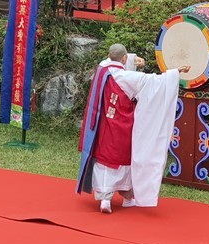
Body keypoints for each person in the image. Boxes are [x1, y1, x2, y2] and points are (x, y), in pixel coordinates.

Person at [76, 43, 190, 213]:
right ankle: (128, 197)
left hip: (103, 127)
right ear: (123, 58)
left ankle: (105, 200)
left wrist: (131, 58)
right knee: (124, 160)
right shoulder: (127, 78)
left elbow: (113, 60)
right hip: (122, 127)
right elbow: (153, 81)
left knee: (104, 160)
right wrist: (175, 72)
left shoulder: (101, 70)